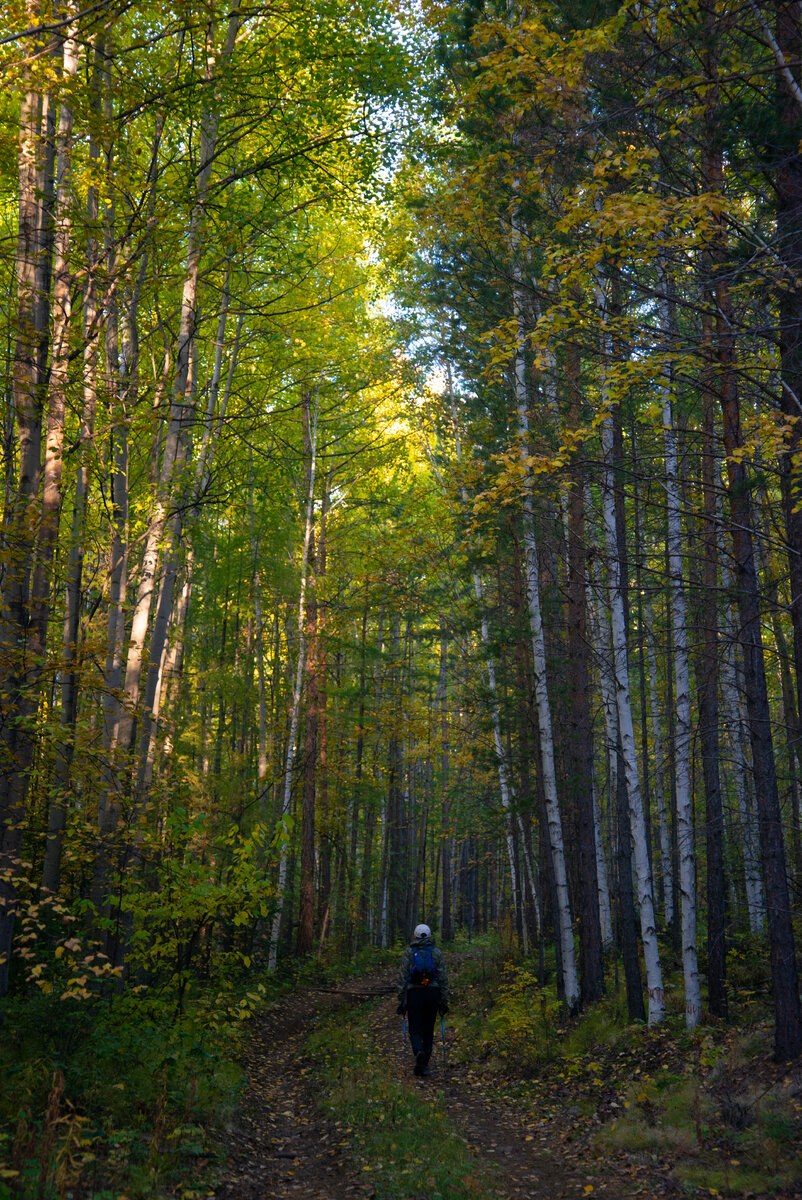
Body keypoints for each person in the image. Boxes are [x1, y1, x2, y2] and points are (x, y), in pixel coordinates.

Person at [396, 923, 449, 1077]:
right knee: (428, 1030)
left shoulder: (409, 953)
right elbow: (443, 978)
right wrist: (444, 1001)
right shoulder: (436, 953)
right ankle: (424, 1065)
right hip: (432, 994)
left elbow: (402, 977)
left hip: (414, 994)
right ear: (430, 936)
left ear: (415, 936)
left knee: (414, 1028)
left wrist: (401, 1000)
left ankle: (418, 1051)